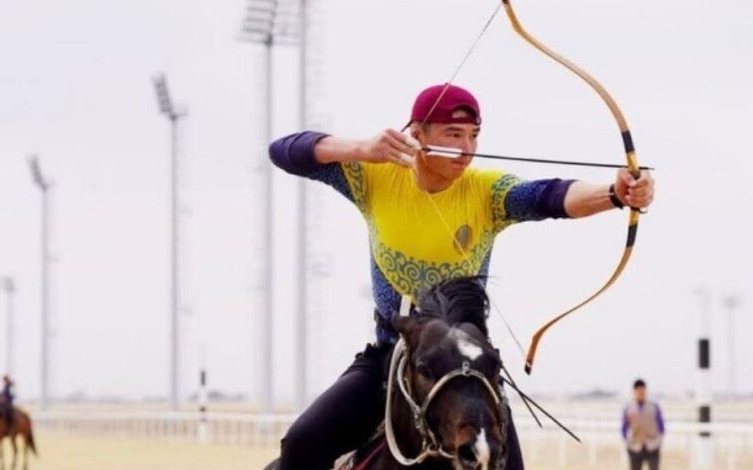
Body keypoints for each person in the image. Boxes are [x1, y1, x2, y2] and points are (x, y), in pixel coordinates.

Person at [269, 83, 656, 470]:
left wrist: (615, 194)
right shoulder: (374, 177)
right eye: (453, 135)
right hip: (391, 358)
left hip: (468, 368)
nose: (467, 148)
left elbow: (549, 196)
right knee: (301, 444)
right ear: (417, 135)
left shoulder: (487, 192)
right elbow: (284, 151)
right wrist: (360, 149)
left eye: (474, 135)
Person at [622, 379, 665, 470]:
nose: (641, 393)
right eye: (638, 391)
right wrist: (628, 442)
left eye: (643, 391)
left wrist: (658, 440)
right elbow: (624, 427)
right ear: (634, 392)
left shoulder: (654, 406)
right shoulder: (628, 408)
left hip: (652, 445)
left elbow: (661, 426)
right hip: (635, 446)